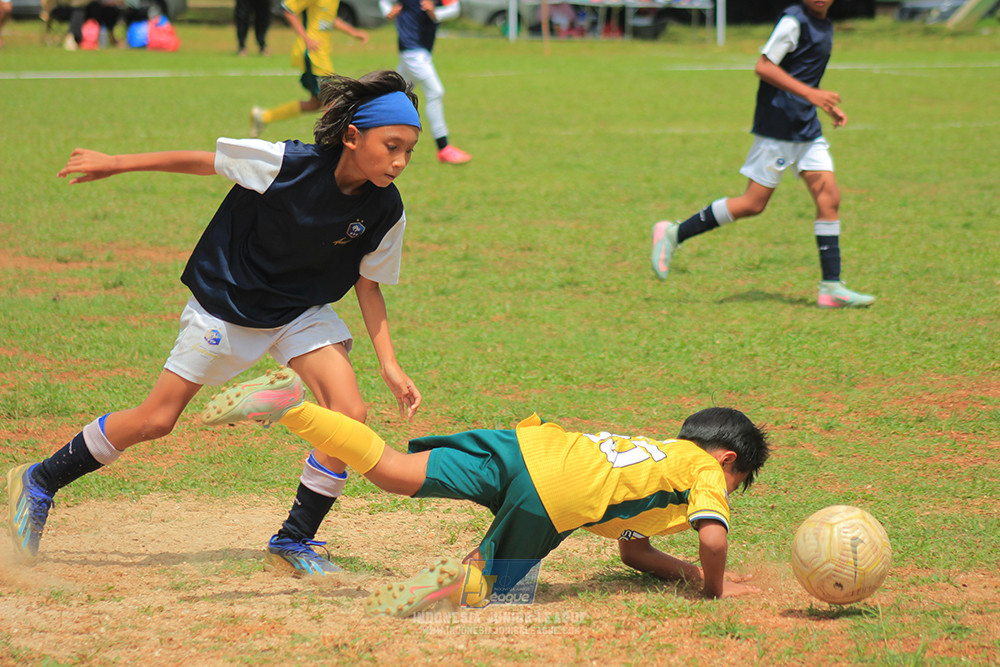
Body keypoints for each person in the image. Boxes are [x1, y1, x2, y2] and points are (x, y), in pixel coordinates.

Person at [7, 71, 424, 579]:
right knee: (156, 420)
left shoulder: (386, 208)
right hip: (228, 302)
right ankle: (40, 479)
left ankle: (294, 539)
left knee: (349, 413)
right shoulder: (285, 163)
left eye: (409, 151)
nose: (400, 161)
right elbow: (205, 162)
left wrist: (391, 364)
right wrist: (117, 163)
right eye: (392, 146)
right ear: (352, 136)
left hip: (300, 311)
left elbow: (368, 283)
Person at [201, 367, 772, 617]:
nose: (728, 491)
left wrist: (689, 574)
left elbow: (633, 550)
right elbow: (715, 541)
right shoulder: (702, 471)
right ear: (728, 461)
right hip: (554, 491)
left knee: (393, 470)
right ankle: (391, 605)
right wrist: (714, 588)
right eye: (736, 483)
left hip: (530, 446)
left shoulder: (661, 459)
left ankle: (291, 407)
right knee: (493, 589)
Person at [650, 0, 875, 309]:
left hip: (805, 127)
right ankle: (673, 233)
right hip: (778, 128)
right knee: (752, 204)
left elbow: (804, 74)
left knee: (829, 197)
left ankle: (831, 288)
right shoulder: (793, 22)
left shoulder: (824, 24)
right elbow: (764, 66)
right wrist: (812, 94)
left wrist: (823, 102)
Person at [249, 0, 368, 137]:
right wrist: (306, 39)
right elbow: (288, 9)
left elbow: (328, 18)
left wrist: (352, 32)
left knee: (315, 103)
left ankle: (263, 117)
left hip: (322, 55)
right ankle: (329, 147)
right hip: (313, 55)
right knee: (332, 103)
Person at [380, 0, 471, 164]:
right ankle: (443, 148)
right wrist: (388, 11)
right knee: (435, 92)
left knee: (394, 96)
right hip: (412, 51)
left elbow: (455, 8)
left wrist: (436, 13)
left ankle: (365, 131)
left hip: (420, 51)